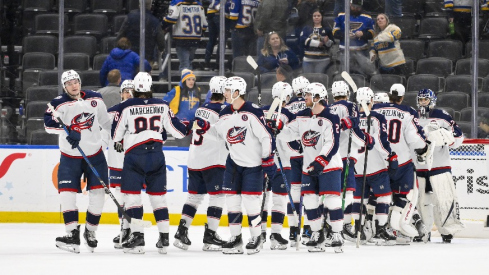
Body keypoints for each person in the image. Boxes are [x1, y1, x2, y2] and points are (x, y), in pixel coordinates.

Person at [112, 72, 191, 254]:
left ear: (134, 89)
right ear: (150, 87)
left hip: (134, 156)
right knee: (158, 198)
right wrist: (188, 125)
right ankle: (164, 238)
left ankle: (138, 238)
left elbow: (115, 135)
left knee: (132, 197)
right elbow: (179, 132)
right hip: (156, 154)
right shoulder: (162, 105)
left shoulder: (126, 106)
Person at [197, 76, 276, 255]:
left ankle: (256, 237)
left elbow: (266, 137)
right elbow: (219, 134)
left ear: (237, 92)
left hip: (253, 165)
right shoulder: (224, 113)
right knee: (232, 202)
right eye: (224, 90)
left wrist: (267, 159)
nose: (224, 93)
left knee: (251, 203)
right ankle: (236, 239)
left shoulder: (252, 112)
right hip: (233, 164)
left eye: (227, 90)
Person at [275, 82, 351, 253]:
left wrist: (320, 161)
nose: (305, 98)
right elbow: (290, 133)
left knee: (332, 199)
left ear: (318, 98)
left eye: (309, 95)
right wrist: (279, 129)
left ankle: (337, 233)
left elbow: (333, 143)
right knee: (309, 200)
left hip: (329, 165)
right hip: (309, 166)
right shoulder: (302, 116)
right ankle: (317, 233)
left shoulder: (331, 117)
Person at [44, 70, 112, 253]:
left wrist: (120, 137)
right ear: (64, 86)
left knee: (98, 196)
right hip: (70, 157)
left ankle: (90, 231)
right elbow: (48, 124)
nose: (74, 85)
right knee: (67, 195)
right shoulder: (57, 103)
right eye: (69, 83)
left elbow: (106, 123)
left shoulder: (95, 98)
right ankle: (72, 234)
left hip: (95, 155)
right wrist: (67, 129)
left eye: (76, 82)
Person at [372, 83, 433, 244]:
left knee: (381, 197)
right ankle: (399, 229)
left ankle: (378, 229)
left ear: (388, 94)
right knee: (404, 197)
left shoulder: (375, 111)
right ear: (402, 97)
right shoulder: (407, 112)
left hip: (379, 162)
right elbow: (415, 139)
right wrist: (423, 147)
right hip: (401, 163)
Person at [173, 76, 228, 252]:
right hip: (213, 160)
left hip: (195, 159)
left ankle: (182, 231)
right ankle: (210, 235)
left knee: (194, 197)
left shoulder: (201, 109)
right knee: (217, 196)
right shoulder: (224, 111)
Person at [415, 89, 465, 243]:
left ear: (432, 100)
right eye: (421, 100)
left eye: (426, 100)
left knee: (444, 198)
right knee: (421, 201)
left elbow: (458, 137)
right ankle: (422, 231)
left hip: (439, 165)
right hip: (419, 166)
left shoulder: (442, 115)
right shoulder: (413, 117)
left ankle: (447, 230)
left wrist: (444, 136)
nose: (423, 102)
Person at [351, 87, 397, 246]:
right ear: (371, 100)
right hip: (376, 166)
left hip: (357, 165)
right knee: (383, 197)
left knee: (359, 200)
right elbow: (380, 141)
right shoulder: (377, 117)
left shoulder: (353, 118)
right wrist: (390, 155)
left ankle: (359, 230)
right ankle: (381, 229)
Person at [328, 80, 365, 242]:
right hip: (346, 156)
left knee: (333, 192)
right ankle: (343, 224)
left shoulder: (328, 108)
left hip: (330, 156)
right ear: (347, 93)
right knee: (348, 191)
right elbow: (354, 124)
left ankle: (330, 224)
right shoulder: (350, 106)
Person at [260, 81, 295, 250]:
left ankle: (260, 233)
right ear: (287, 96)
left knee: (262, 198)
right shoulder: (289, 114)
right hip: (282, 163)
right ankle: (274, 234)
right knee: (278, 200)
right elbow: (295, 141)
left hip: (262, 160)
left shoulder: (261, 111)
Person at [106, 80, 135, 248]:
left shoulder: (139, 112)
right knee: (120, 197)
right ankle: (124, 229)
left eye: (132, 91)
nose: (128, 93)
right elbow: (103, 135)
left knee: (132, 197)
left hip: (133, 162)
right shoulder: (111, 113)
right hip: (116, 162)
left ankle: (131, 230)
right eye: (126, 91)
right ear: (121, 93)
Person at [285, 75, 309, 244]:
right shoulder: (311, 104)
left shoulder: (289, 106)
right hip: (310, 153)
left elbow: (285, 131)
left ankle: (293, 232)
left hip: (292, 154)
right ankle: (308, 229)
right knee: (310, 193)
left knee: (294, 193)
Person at [333, 0, 376, 78]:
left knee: (363, 75)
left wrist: (363, 34)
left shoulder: (367, 16)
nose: (355, 9)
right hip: (345, 51)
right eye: (353, 7)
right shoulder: (341, 15)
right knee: (344, 75)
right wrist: (345, 35)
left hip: (361, 51)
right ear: (349, 4)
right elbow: (335, 32)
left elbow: (372, 33)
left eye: (358, 7)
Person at [163, 0, 208, 73]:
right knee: (189, 63)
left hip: (181, 38)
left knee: (184, 65)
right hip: (195, 38)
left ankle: (185, 83)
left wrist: (162, 26)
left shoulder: (177, 3)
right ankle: (190, 81)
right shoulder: (199, 5)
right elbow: (204, 25)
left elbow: (171, 18)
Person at [117, 0, 166, 65]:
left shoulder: (130, 17)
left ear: (139, 5)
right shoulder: (155, 21)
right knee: (145, 73)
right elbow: (160, 40)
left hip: (130, 52)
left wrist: (119, 46)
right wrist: (161, 48)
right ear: (150, 6)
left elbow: (121, 33)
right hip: (147, 55)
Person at [300, 9, 334, 74]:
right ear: (312, 17)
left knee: (320, 80)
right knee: (308, 80)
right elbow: (302, 40)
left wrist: (327, 41)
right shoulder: (306, 28)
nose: (316, 17)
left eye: (318, 16)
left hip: (323, 60)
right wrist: (317, 43)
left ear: (322, 17)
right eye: (314, 16)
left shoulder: (327, 29)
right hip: (308, 59)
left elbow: (332, 43)